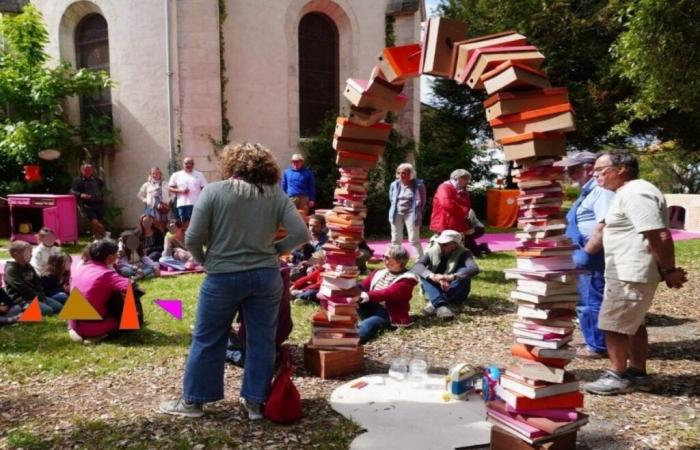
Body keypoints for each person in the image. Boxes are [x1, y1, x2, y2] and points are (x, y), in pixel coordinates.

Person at [159, 142, 307, 420]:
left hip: (222, 277)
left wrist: (203, 260)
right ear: (266, 167)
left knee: (208, 338)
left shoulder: (214, 191)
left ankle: (194, 403)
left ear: (231, 164)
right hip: (266, 277)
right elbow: (301, 233)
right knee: (262, 340)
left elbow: (192, 238)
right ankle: (255, 403)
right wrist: (275, 251)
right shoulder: (274, 194)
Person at [581, 150, 687, 395]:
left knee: (613, 325)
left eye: (600, 170)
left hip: (631, 273)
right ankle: (637, 373)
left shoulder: (637, 192)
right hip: (625, 271)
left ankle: (617, 375)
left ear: (621, 169)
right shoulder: (625, 193)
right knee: (632, 323)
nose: (594, 174)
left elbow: (658, 234)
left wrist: (669, 270)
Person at [559, 151, 615, 359]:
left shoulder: (601, 192)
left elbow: (605, 224)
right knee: (584, 299)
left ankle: (598, 346)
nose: (569, 174)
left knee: (591, 299)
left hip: (592, 252)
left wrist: (586, 253)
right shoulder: (588, 191)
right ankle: (594, 339)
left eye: (572, 169)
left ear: (588, 168)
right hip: (582, 251)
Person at [68, 239, 138, 344]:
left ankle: (77, 333)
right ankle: (99, 335)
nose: (117, 256)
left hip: (75, 322)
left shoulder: (81, 268)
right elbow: (132, 286)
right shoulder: (106, 274)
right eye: (116, 254)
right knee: (124, 298)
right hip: (95, 326)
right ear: (110, 257)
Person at [413, 230, 480, 320]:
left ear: (455, 245)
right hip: (437, 286)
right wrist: (433, 276)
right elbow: (417, 266)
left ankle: (435, 303)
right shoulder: (433, 251)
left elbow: (474, 268)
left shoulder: (464, 253)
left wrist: (450, 277)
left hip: (456, 289)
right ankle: (441, 305)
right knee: (425, 273)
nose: (440, 246)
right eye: (440, 243)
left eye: (445, 244)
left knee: (463, 272)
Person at [357, 245, 418, 343]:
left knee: (367, 325)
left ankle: (350, 341)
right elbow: (362, 286)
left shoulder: (408, 279)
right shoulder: (379, 272)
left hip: (388, 314)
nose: (383, 259)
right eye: (383, 256)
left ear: (399, 261)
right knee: (354, 287)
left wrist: (366, 295)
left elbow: (389, 293)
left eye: (387, 257)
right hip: (372, 306)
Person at [4, 241, 64, 315]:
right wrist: (37, 297)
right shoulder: (11, 269)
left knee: (59, 307)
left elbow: (37, 282)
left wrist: (41, 295)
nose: (31, 255)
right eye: (27, 253)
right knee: (48, 310)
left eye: (31, 252)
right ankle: (24, 308)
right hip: (22, 299)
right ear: (16, 254)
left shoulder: (28, 266)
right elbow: (21, 288)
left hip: (36, 296)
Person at [388, 163, 426, 258]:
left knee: (414, 239)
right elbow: (391, 199)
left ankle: (420, 261)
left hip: (411, 213)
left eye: (404, 173)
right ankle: (395, 259)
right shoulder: (394, 184)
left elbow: (422, 200)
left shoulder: (418, 184)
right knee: (396, 239)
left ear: (411, 174)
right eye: (399, 173)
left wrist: (418, 211)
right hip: (396, 212)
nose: (401, 175)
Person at [429, 169, 472, 238]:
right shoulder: (444, 187)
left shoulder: (462, 189)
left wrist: (466, 211)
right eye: (465, 178)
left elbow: (468, 204)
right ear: (456, 178)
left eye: (468, 179)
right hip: (444, 223)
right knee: (444, 245)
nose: (467, 181)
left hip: (457, 223)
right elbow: (447, 204)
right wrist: (464, 211)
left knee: (458, 245)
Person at [168, 156, 208, 228]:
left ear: (193, 164)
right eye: (186, 163)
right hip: (182, 205)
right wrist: (181, 191)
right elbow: (170, 188)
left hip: (196, 204)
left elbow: (204, 188)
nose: (189, 165)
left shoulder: (199, 174)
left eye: (191, 163)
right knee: (184, 226)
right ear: (183, 164)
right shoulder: (176, 175)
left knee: (197, 225)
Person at [70, 162, 106, 238]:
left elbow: (101, 185)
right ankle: (106, 235)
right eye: (86, 170)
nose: (88, 172)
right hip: (88, 205)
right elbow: (72, 191)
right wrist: (81, 195)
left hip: (99, 203)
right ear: (82, 170)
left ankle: (97, 238)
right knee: (94, 221)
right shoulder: (78, 180)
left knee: (98, 221)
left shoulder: (96, 179)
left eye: (90, 170)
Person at [290, 214, 328, 280]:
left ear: (323, 226)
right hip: (297, 265)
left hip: (313, 270)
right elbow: (292, 254)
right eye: (310, 225)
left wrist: (308, 263)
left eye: (316, 226)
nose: (312, 229)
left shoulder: (326, 241)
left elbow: (319, 257)